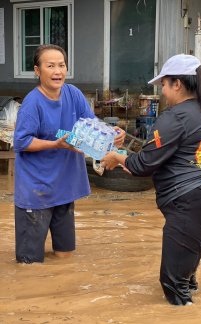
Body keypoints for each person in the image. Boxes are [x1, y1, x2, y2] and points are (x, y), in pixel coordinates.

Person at [101, 54, 201, 306]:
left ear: (177, 84)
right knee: (186, 278)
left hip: (188, 204)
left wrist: (116, 157)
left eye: (165, 85)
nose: (164, 92)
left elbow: (144, 163)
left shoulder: (175, 116)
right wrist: (126, 142)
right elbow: (162, 154)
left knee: (173, 286)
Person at [13, 44, 125, 264]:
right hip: (37, 190)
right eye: (50, 66)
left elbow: (91, 124)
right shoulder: (32, 103)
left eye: (62, 65)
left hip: (65, 186)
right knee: (30, 264)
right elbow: (21, 142)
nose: (58, 71)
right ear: (38, 71)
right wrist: (55, 144)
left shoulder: (73, 94)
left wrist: (112, 133)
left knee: (64, 257)